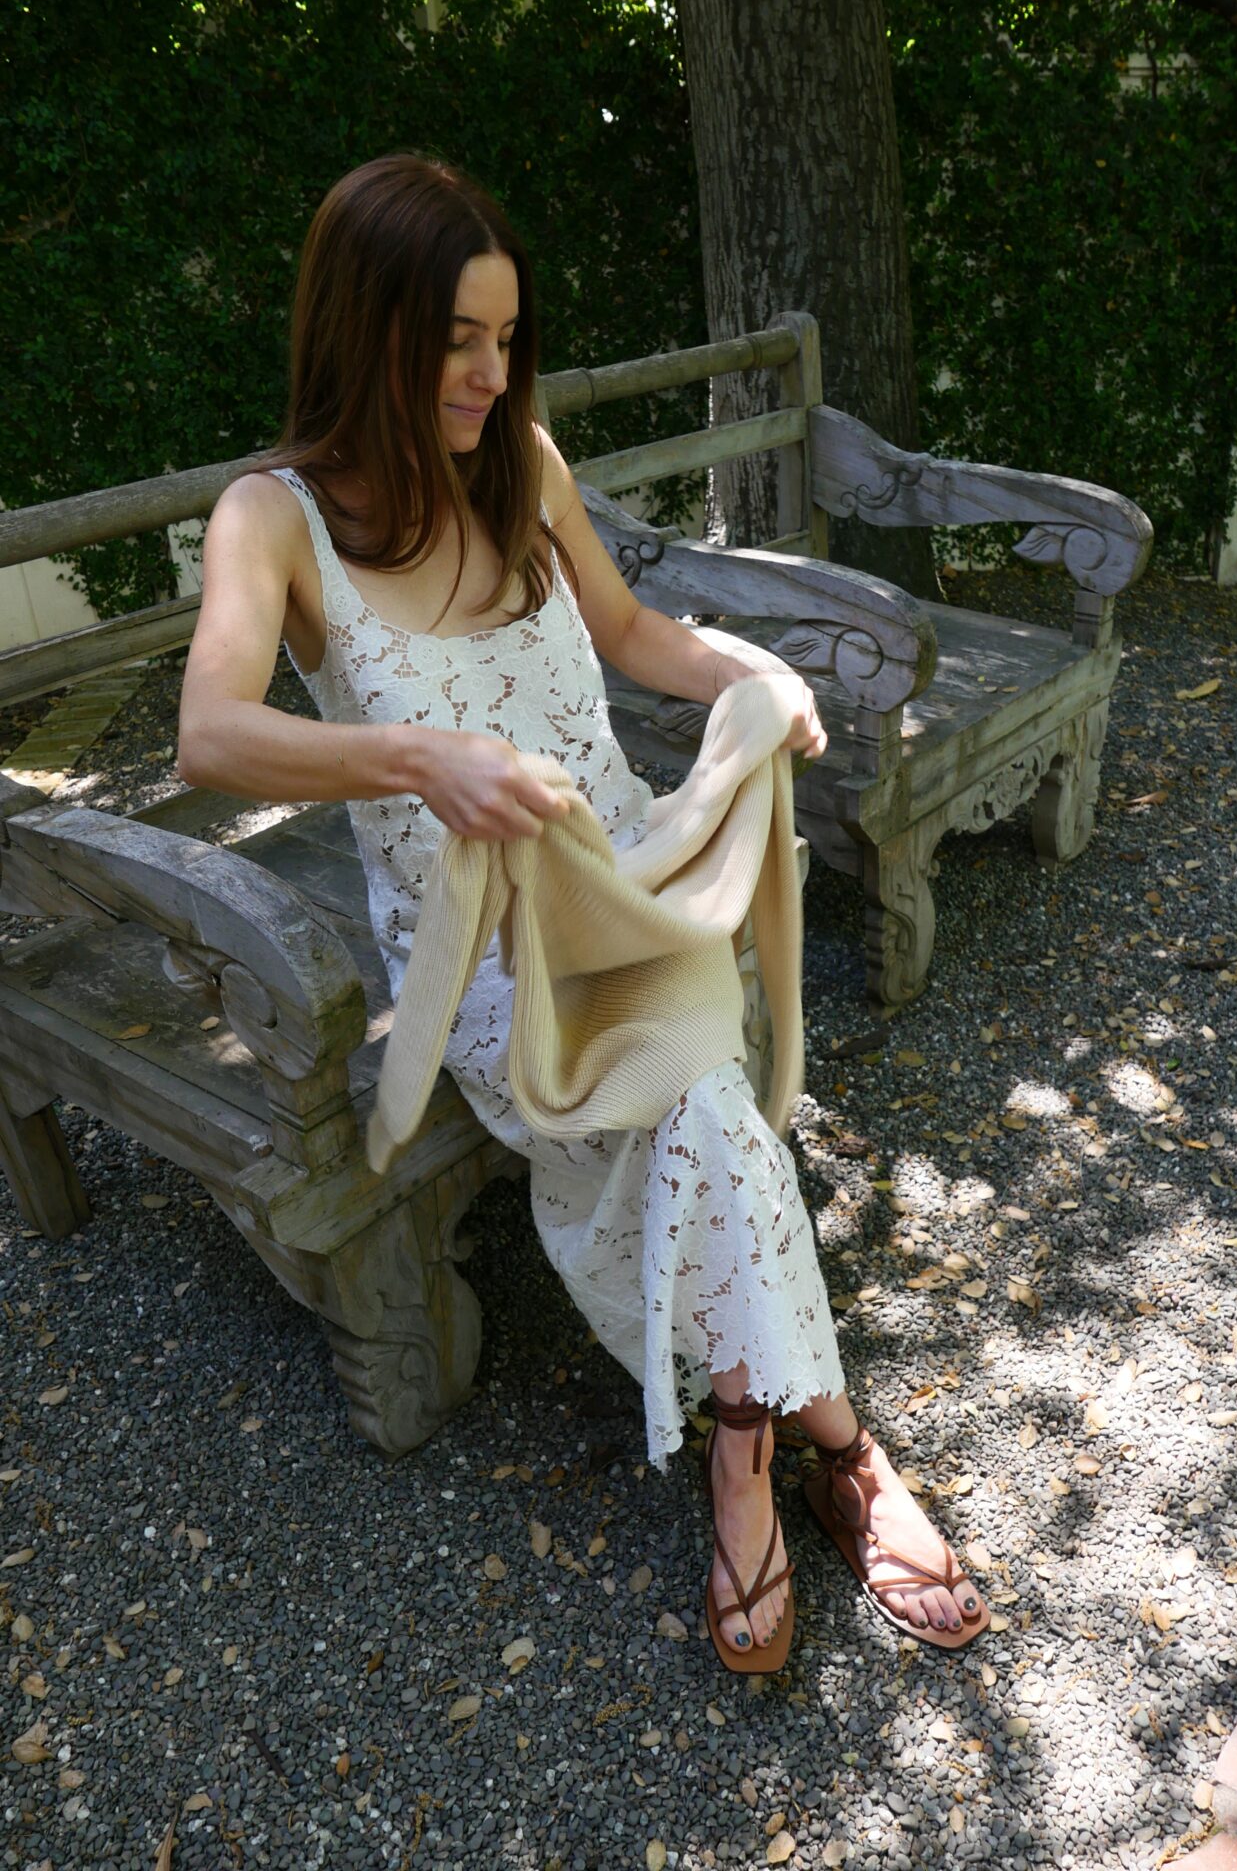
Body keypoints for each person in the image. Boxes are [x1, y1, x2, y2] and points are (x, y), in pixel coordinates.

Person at [178, 153, 987, 1669]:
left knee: (692, 1090)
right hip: (489, 962)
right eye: (456, 342)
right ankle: (824, 1452)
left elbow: (626, 630)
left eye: (505, 338)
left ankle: (756, 1465)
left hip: (638, 884)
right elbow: (208, 736)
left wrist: (756, 675)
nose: (489, 374)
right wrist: (416, 757)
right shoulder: (271, 521)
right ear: (368, 330)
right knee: (708, 1105)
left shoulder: (522, 462)